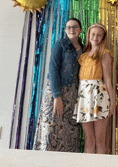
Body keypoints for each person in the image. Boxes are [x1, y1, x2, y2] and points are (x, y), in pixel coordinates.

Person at [33, 18, 83, 152]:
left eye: (75, 27)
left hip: (73, 93)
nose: (72, 30)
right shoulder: (60, 44)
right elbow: (53, 69)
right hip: (57, 91)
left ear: (80, 30)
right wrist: (57, 96)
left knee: (69, 131)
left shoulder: (84, 48)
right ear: (65, 30)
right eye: (69, 27)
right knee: (52, 128)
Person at [73, 23, 115, 154]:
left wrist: (112, 102)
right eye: (93, 34)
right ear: (88, 35)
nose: (95, 37)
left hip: (99, 97)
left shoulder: (104, 54)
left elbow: (107, 78)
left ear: (102, 38)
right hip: (84, 98)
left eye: (99, 35)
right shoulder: (83, 56)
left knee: (100, 140)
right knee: (89, 140)